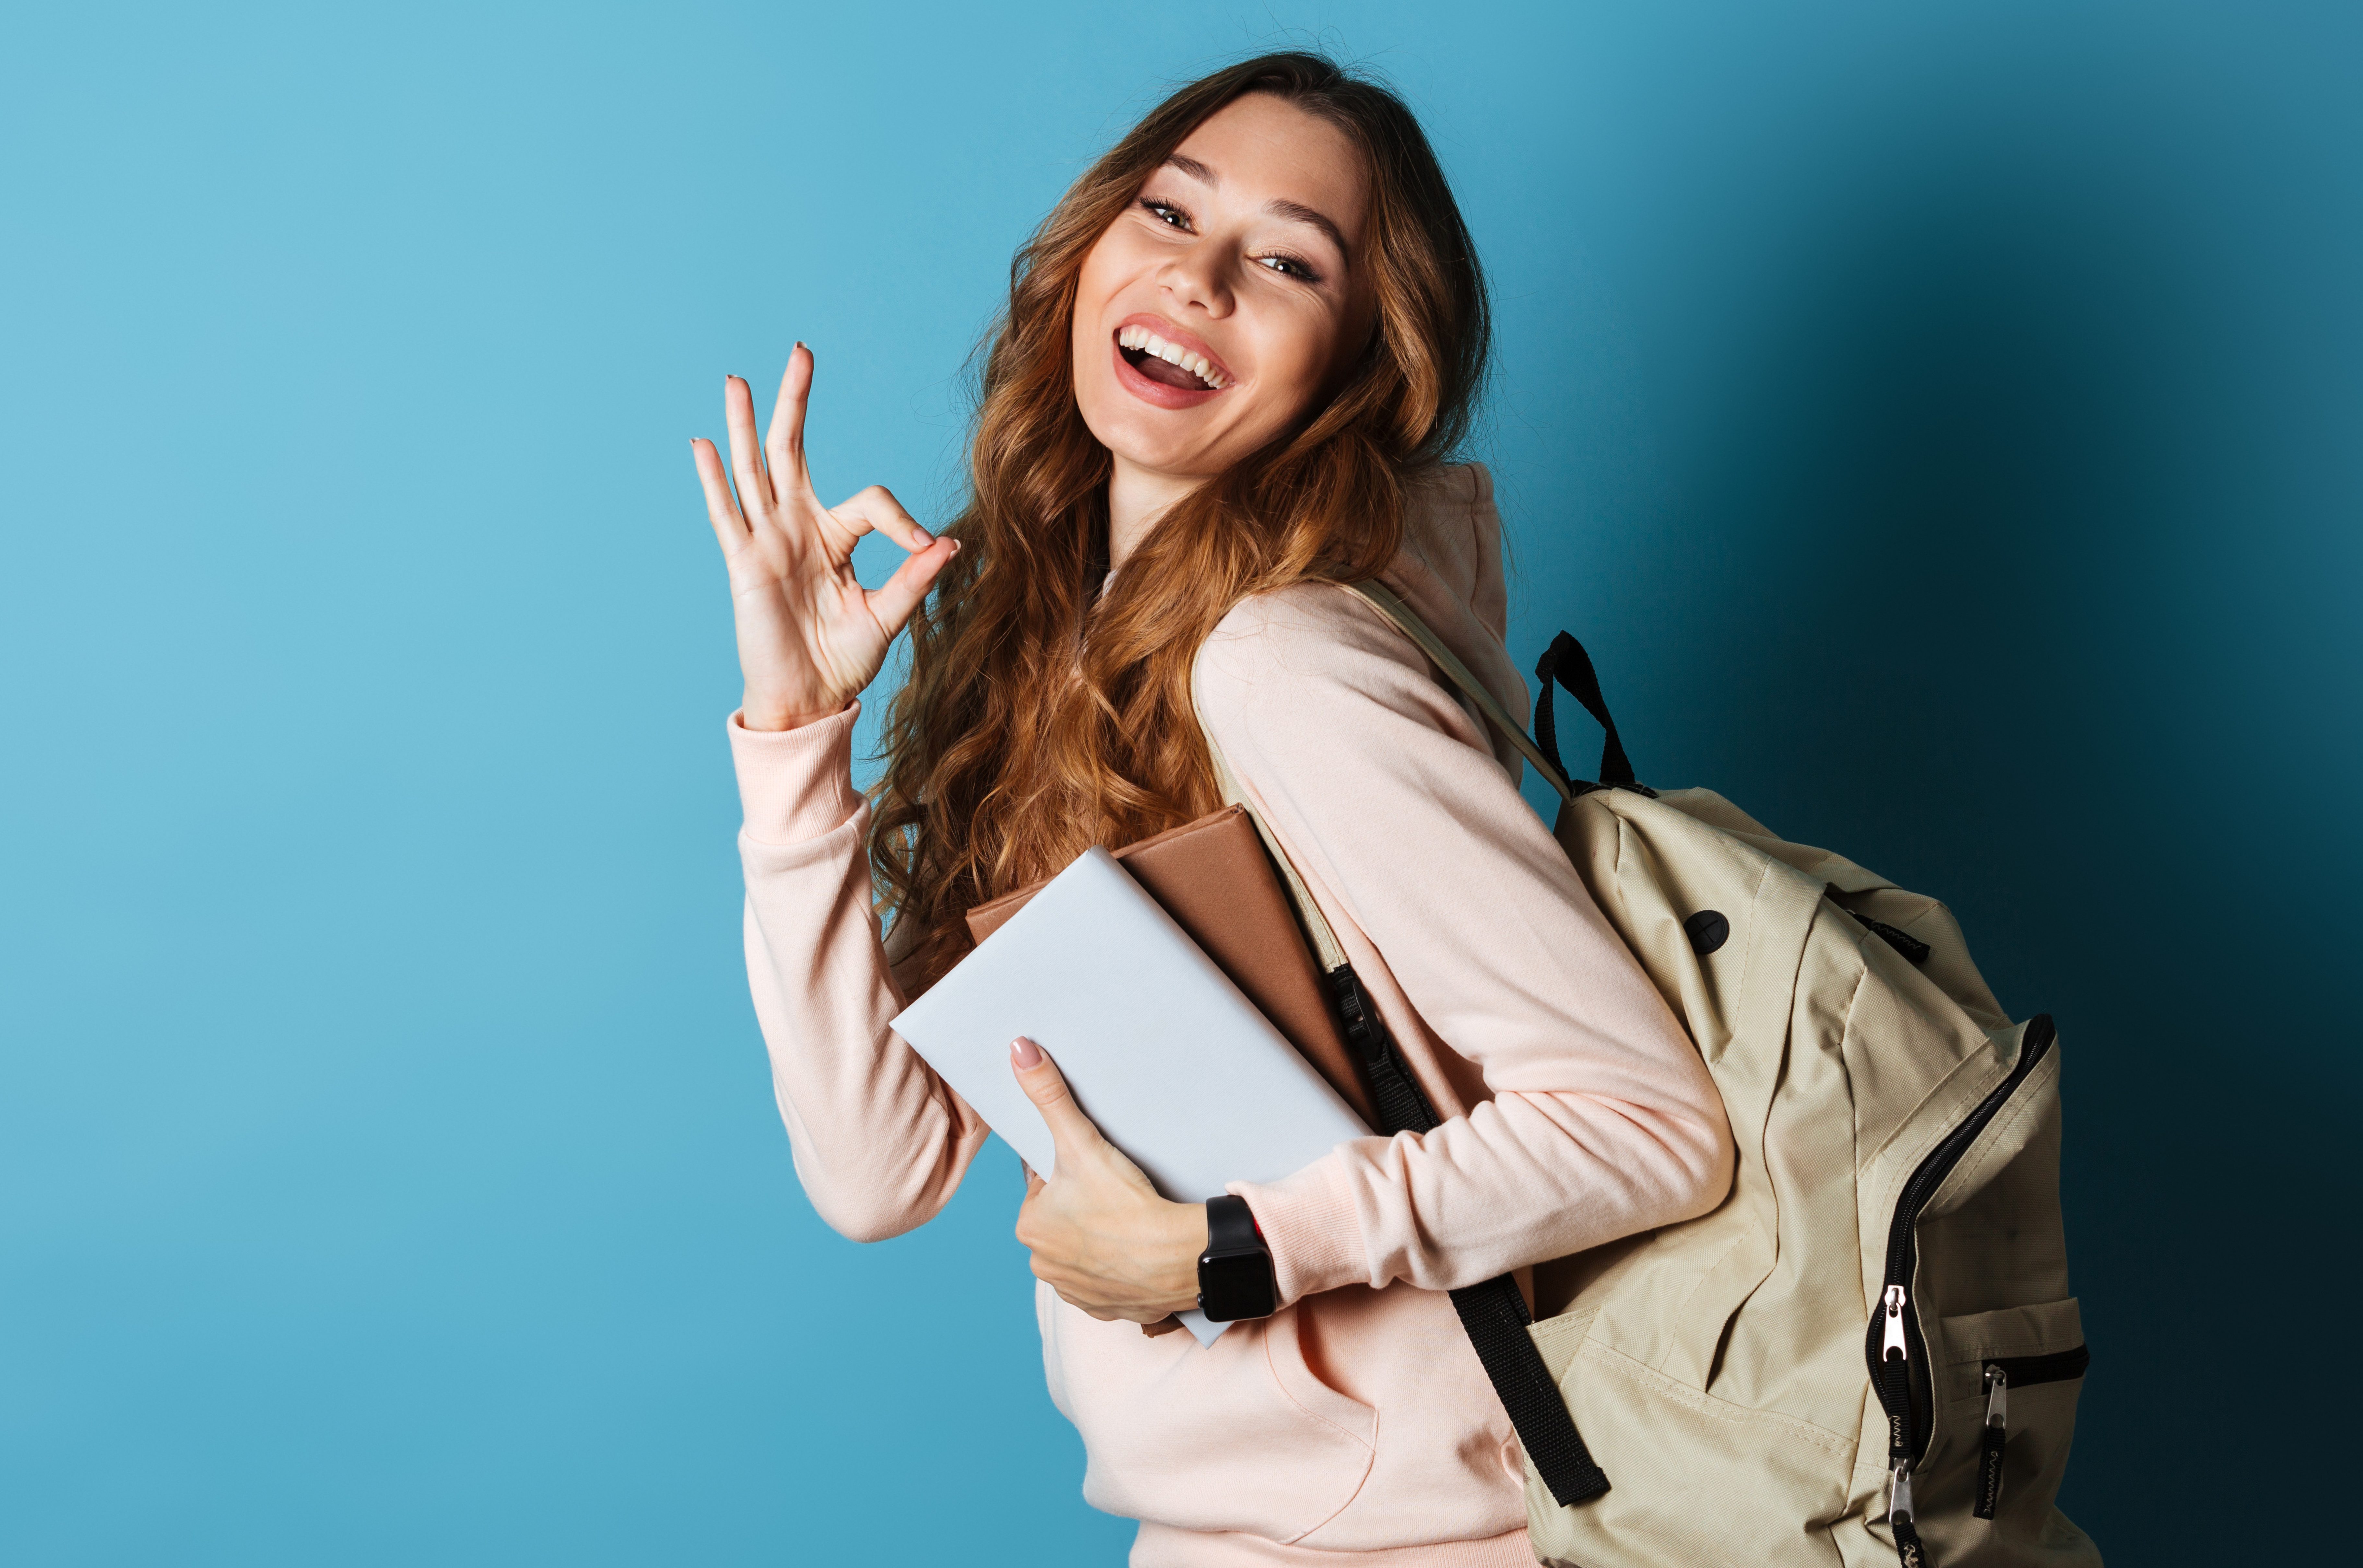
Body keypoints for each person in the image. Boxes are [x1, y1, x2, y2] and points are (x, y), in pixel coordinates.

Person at [690, 52, 1733, 1567]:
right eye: (1170, 213)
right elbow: (878, 1169)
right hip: (1232, 1530)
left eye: (1288, 261)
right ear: (1088, 250)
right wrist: (794, 730)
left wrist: (1225, 1248)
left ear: (1363, 366)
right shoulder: (1062, 648)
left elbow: (1648, 1127)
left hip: (1423, 1541)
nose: (1197, 277)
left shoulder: (1284, 665)